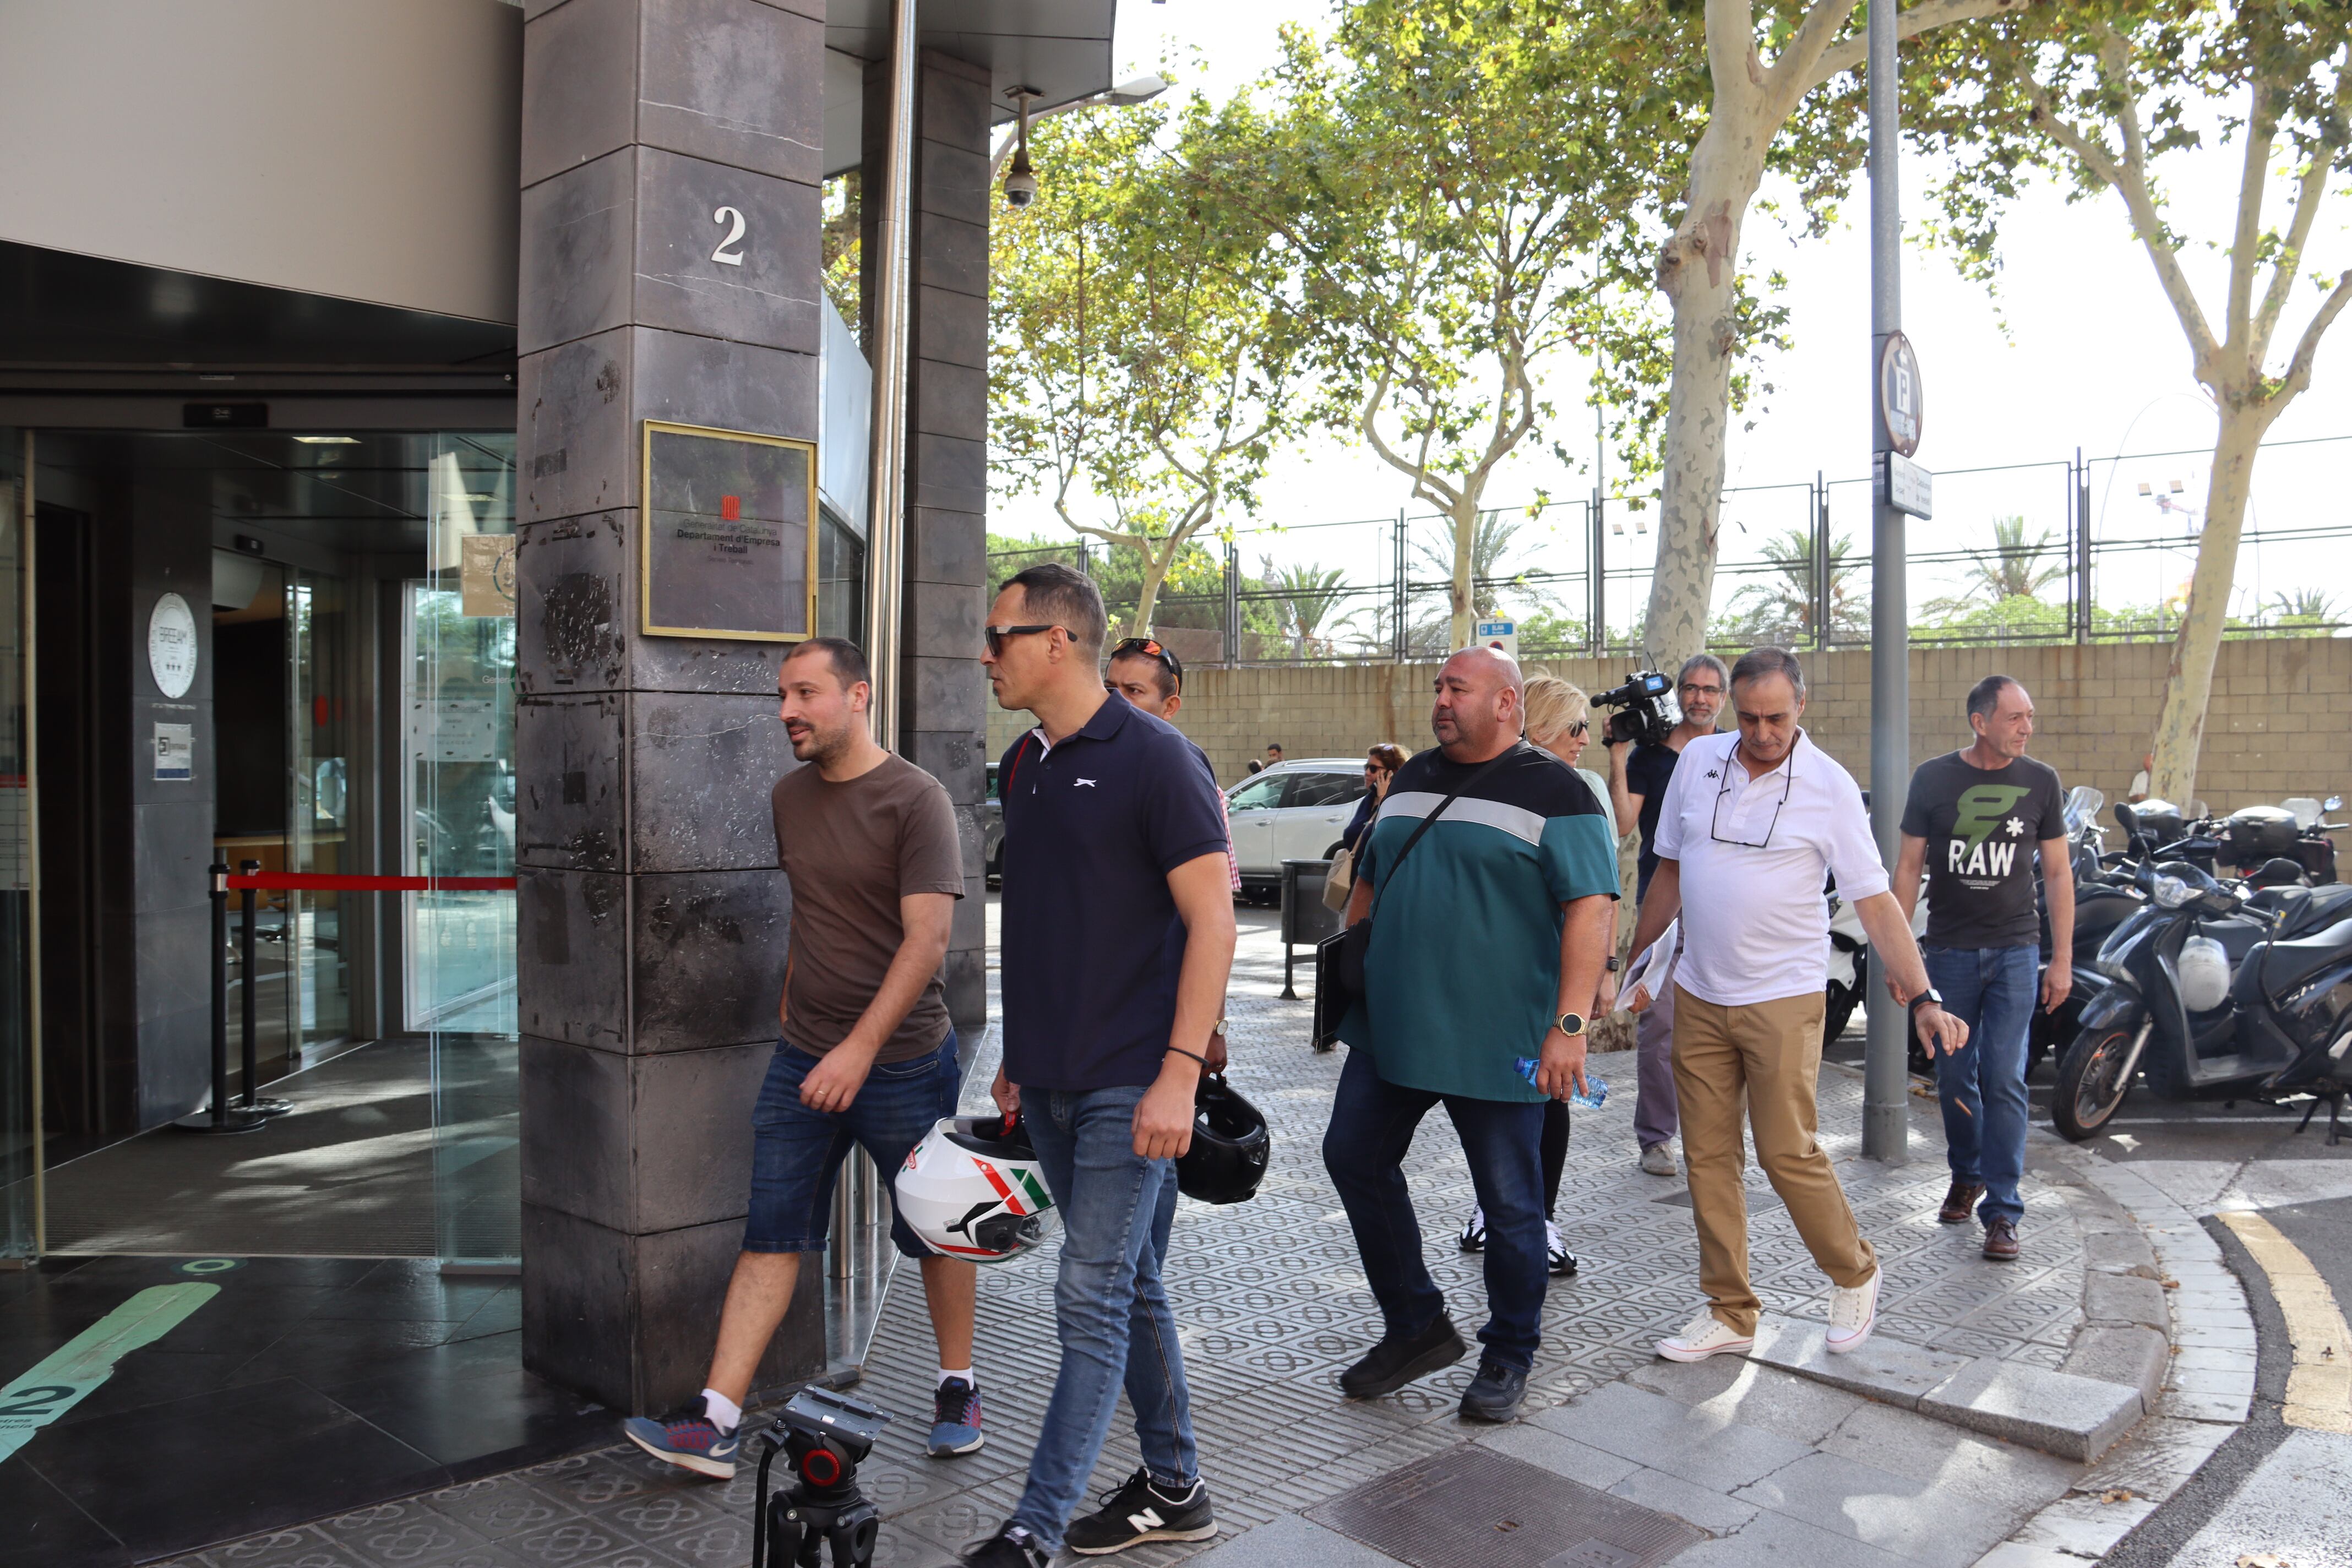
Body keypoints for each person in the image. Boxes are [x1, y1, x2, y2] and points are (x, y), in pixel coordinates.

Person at [623, 638, 974, 1479]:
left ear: (858, 695)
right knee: (773, 1233)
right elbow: (818, 916)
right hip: (803, 1058)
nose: (787, 711)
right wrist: (796, 1010)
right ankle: (715, 1420)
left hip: (903, 1065)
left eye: (805, 693)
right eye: (783, 695)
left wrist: (859, 1049)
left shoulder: (916, 801)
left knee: (935, 1235)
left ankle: (957, 1385)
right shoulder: (791, 798)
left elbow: (928, 941)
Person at [967, 565, 1237, 1567]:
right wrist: (1012, 1053)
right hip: (1050, 1075)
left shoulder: (1159, 758)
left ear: (1054, 641)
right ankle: (1175, 1483)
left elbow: (1215, 923)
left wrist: (1176, 1071)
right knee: (1131, 1284)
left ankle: (1035, 1526)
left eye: (997, 636)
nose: (984, 653)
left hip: (1133, 1076)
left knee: (1087, 1294)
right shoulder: (1023, 764)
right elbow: (1039, 923)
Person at [1625, 647, 1967, 1364]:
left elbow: (1874, 901)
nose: (1762, 732)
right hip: (1700, 990)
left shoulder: (1828, 787)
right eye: (1748, 717)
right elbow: (1669, 872)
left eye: (1776, 717)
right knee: (1708, 1157)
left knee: (1787, 1151)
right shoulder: (1697, 763)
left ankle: (1855, 1271)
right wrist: (1635, 968)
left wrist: (1925, 995)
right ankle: (1730, 1310)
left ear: (1800, 707)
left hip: (1783, 996)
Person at [1325, 648, 1616, 1423]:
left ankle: (1508, 1353)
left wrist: (1571, 1027)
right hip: (1392, 1030)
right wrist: (1349, 959)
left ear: (1508, 704)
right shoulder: (1413, 777)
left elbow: (1593, 908)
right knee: (1352, 1156)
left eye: (1458, 689)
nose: (1442, 701)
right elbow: (1370, 878)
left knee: (1512, 1206)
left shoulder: (1559, 792)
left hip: (1500, 1038)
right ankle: (1416, 1324)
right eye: (1438, 689)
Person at [1894, 675, 2072, 1262]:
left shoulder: (2042, 782)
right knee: (1953, 1077)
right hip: (1949, 953)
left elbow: (2058, 875)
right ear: (1980, 722)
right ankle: (1966, 1172)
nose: (2027, 727)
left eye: (2030, 716)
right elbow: (1908, 867)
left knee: (2005, 1077)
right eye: (2016, 716)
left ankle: (2002, 1211)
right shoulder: (1934, 779)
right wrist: (1901, 957)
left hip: (2017, 952)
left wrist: (2061, 958)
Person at [1458, 675, 1616, 1275]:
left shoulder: (1584, 787)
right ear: (1541, 726)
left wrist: (1602, 974)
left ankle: (1539, 1218)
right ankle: (1492, 1205)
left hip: (1553, 973)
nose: (1584, 739)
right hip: (1493, 971)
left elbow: (1603, 893)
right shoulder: (1492, 779)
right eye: (1575, 727)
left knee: (1547, 1093)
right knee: (1490, 1093)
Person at [1609, 653, 1729, 1178]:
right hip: (1664, 907)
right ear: (1677, 694)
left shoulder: (1736, 751)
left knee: (1727, 1027)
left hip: (1727, 909)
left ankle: (1718, 1135)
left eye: (1710, 689)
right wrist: (1618, 755)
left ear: (1724, 698)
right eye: (1691, 688)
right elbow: (1623, 823)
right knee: (1660, 1026)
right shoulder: (1652, 757)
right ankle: (1657, 1139)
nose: (1700, 698)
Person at [1103, 633, 1236, 1074]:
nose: (1117, 702)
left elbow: (1215, 920)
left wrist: (1211, 1028)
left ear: (1170, 706)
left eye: (1134, 691)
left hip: (1154, 1022)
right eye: (1110, 689)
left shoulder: (1188, 781)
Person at [1340, 744, 1408, 856]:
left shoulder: (1400, 803)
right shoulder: (1369, 800)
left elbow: (1387, 839)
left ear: (1392, 773)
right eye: (1366, 767)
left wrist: (1383, 798)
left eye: (1373, 769)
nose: (1367, 773)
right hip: (1355, 870)